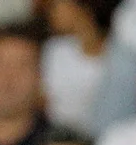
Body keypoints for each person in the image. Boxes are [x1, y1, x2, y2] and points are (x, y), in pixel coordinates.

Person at [41, 0, 117, 136]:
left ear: (82, 8)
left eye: (56, 5)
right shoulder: (54, 50)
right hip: (59, 139)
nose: (50, 13)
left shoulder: (118, 55)